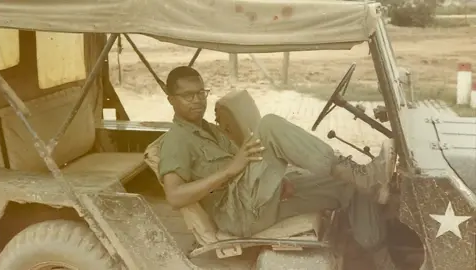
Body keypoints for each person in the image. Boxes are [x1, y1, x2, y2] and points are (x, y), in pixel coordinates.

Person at [145, 66, 399, 269]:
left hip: (255, 201)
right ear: (171, 100)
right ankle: (363, 176)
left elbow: (247, 167)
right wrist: (230, 170)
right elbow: (175, 196)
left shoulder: (207, 128)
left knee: (346, 186)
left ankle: (382, 259)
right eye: (188, 95)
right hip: (238, 214)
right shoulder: (176, 140)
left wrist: (274, 179)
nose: (198, 100)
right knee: (268, 126)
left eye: (202, 93)